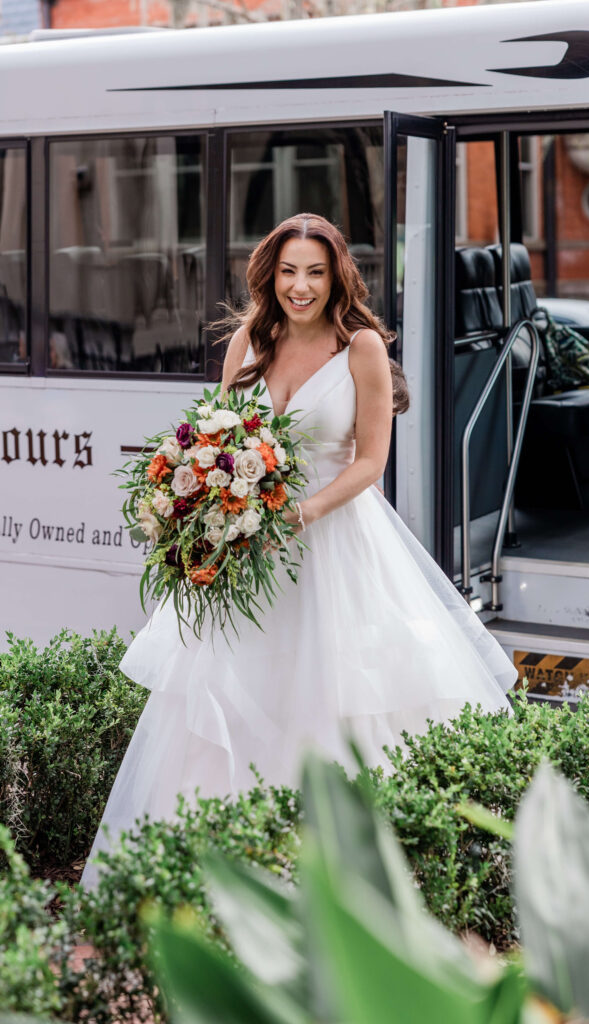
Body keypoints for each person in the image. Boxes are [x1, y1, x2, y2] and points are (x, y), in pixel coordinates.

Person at [80, 213, 516, 891]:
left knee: (333, 698)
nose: (300, 286)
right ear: (269, 275)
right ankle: (218, 879)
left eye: (314, 271)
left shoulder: (362, 348)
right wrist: (198, 502)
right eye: (287, 271)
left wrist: (299, 513)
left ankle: (341, 887)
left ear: (336, 275)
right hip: (250, 550)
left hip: (335, 541)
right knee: (229, 692)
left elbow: (370, 462)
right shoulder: (249, 340)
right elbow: (213, 443)